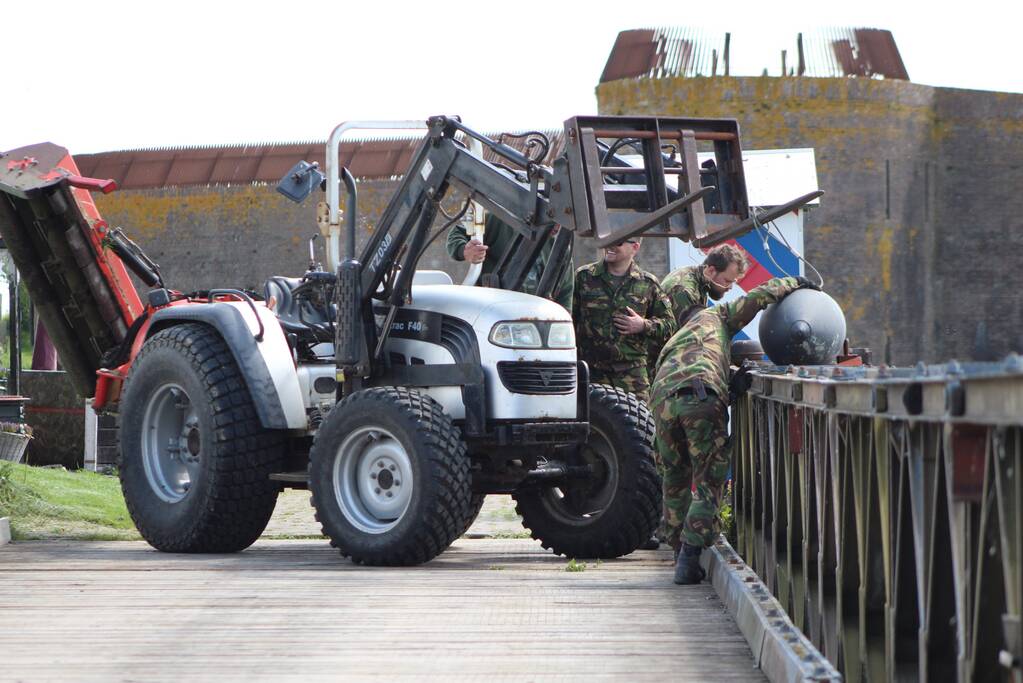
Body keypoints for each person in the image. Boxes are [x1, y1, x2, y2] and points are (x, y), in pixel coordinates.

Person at [650, 275, 820, 584]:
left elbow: (685, 373)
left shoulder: (676, 339)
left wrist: (727, 386)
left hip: (662, 401)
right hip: (700, 397)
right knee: (708, 479)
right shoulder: (717, 316)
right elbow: (758, 297)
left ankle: (678, 551)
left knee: (674, 478)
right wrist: (794, 282)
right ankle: (690, 555)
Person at [572, 237, 675, 404]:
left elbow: (670, 326)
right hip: (591, 372)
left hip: (631, 376)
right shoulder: (583, 277)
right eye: (607, 239)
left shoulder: (647, 283)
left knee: (639, 420)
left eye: (618, 242)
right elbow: (567, 318)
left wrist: (643, 325)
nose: (610, 245)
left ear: (635, 247)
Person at [447, 213, 573, 310]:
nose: (558, 227)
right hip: (489, 310)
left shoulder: (560, 250)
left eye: (562, 222)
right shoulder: (502, 219)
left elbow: (565, 295)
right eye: (554, 220)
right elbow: (457, 232)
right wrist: (465, 250)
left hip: (533, 320)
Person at [660, 243, 748, 327]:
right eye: (727, 281)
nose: (730, 287)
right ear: (711, 271)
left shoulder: (699, 281)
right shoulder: (686, 292)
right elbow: (691, 335)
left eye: (732, 282)